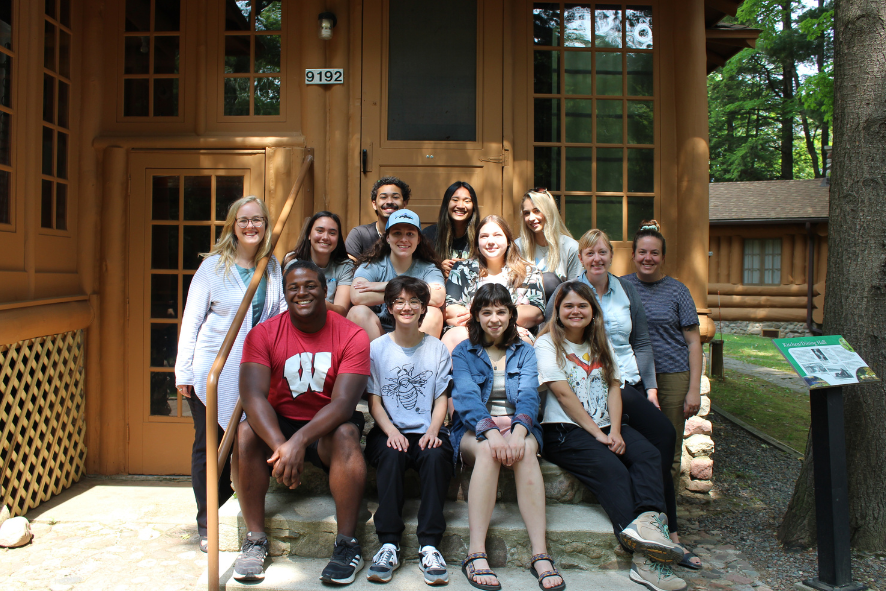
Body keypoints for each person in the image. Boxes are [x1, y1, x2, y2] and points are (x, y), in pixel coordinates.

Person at [544, 228, 693, 567]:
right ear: (580, 258)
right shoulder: (570, 292)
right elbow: (550, 328)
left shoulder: (625, 290)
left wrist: (651, 387)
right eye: (589, 253)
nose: (597, 259)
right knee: (643, 447)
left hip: (628, 380)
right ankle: (658, 524)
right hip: (597, 380)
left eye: (603, 252)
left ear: (611, 255)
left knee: (664, 436)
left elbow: (640, 341)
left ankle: (665, 521)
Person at [234, 260, 371, 584]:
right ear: (285, 295)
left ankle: (347, 544)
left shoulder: (352, 335)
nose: (302, 293)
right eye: (293, 287)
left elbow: (344, 403)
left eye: (310, 285)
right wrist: (282, 446)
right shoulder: (263, 334)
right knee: (244, 433)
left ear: (326, 291)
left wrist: (299, 442)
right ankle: (255, 539)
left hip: (328, 425)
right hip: (281, 423)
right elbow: (253, 397)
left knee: (347, 436)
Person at [174, 195, 285, 554]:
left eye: (258, 221)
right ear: (232, 227)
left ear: (266, 226)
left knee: (243, 441)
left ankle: (240, 512)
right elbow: (192, 319)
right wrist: (183, 369)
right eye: (244, 220)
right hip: (213, 368)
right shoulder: (213, 267)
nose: (251, 227)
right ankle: (208, 522)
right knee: (208, 445)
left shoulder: (272, 267)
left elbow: (280, 312)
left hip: (256, 371)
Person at [450, 285, 564, 591]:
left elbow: (528, 396)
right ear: (475, 316)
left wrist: (518, 431)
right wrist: (490, 432)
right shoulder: (464, 351)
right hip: (474, 429)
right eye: (486, 312)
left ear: (512, 315)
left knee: (526, 451)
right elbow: (467, 399)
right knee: (488, 452)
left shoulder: (525, 351)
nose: (494, 318)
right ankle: (475, 553)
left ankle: (540, 554)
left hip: (518, 426)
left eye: (501, 311)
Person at [622, 220, 703, 571]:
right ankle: (639, 521)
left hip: (671, 377)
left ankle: (671, 531)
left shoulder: (678, 291)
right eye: (642, 252)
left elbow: (693, 341)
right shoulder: (621, 287)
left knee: (664, 453)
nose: (648, 258)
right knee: (634, 450)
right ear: (634, 255)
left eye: (654, 253)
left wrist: (694, 387)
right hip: (630, 379)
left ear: (663, 257)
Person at [364, 276, 454, 585]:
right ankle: (389, 543)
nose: (406, 307)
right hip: (388, 430)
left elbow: (441, 397)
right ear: (389, 308)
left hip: (426, 429)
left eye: (414, 301)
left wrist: (433, 429)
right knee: (391, 454)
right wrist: (390, 431)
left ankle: (429, 545)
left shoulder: (437, 349)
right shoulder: (376, 349)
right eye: (399, 301)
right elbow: (374, 401)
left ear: (423, 308)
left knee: (436, 454)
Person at [443, 215, 545, 352]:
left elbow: (535, 312)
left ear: (508, 240)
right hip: (469, 331)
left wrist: (484, 317)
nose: (491, 241)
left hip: (513, 332)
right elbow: (450, 310)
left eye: (497, 235)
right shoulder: (462, 269)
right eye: (484, 236)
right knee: (455, 336)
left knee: (522, 341)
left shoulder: (529, 272)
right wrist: (485, 322)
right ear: (477, 242)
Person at [347, 209, 446, 340]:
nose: (404, 239)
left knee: (433, 313)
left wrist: (387, 286)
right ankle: (375, 361)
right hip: (378, 335)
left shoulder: (428, 268)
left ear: (418, 239)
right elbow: (357, 296)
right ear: (387, 238)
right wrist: (418, 290)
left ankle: (415, 361)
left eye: (410, 234)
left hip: (414, 333)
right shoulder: (372, 265)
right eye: (397, 233)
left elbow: (438, 297)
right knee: (357, 312)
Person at [283, 211, 354, 317]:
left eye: (332, 233)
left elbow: (341, 311)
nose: (325, 237)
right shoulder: (294, 264)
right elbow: (289, 305)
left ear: (338, 238)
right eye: (320, 231)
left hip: (331, 321)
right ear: (309, 235)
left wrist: (314, 301)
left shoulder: (345, 266)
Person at [515, 188, 581, 299]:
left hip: (559, 309)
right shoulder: (518, 246)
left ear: (549, 212)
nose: (531, 218)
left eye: (537, 211)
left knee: (549, 280)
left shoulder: (570, 247)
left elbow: (577, 290)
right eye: (527, 213)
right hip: (526, 308)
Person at [422, 181, 481, 278]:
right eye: (455, 200)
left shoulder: (482, 236)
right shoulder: (429, 235)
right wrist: (439, 268)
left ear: (474, 206)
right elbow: (417, 269)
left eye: (467, 201)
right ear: (446, 203)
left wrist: (469, 266)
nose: (461, 206)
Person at [345, 176, 411, 258]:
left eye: (395, 197)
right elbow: (350, 268)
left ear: (404, 204)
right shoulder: (359, 235)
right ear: (374, 204)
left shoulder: (412, 237)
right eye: (383, 197)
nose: (389, 201)